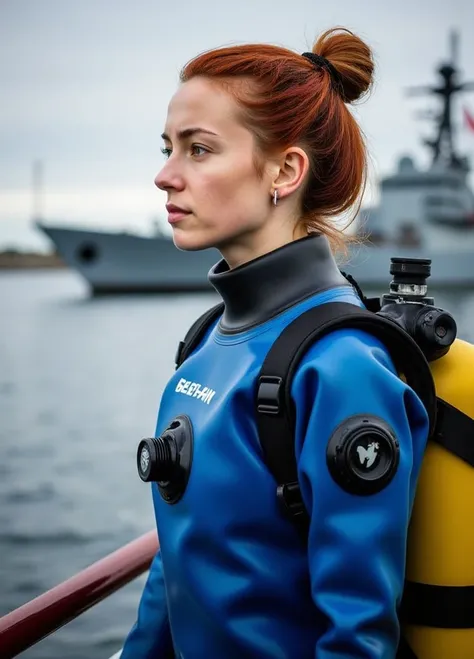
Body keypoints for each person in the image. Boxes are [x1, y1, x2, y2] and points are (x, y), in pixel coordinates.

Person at [120, 27, 430, 659]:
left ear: (285, 170)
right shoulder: (207, 339)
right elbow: (176, 561)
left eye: (198, 150)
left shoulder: (340, 367)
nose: (164, 176)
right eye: (168, 148)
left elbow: (358, 636)